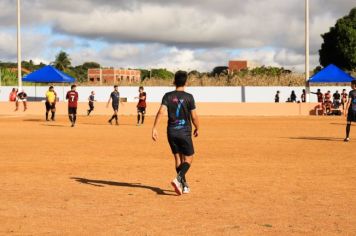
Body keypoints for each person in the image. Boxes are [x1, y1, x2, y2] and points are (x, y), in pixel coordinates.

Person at [152, 71, 199, 196]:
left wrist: (154, 128)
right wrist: (197, 127)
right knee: (189, 158)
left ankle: (183, 185)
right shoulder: (189, 97)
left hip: (171, 131)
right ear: (186, 82)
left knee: (178, 158)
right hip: (184, 131)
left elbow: (161, 112)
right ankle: (178, 179)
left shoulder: (167, 96)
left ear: (174, 82)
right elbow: (194, 116)